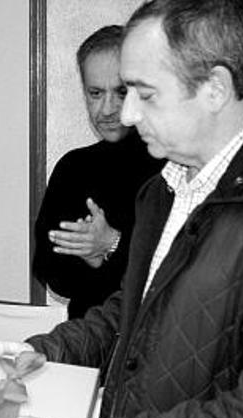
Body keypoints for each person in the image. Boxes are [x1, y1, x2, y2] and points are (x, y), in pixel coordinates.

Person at [0, 0, 243, 418]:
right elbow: (134, 312)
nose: (127, 113)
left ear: (216, 89)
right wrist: (50, 352)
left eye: (144, 93)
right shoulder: (167, 185)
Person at [33, 25, 163, 319]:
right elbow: (50, 272)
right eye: (95, 93)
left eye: (120, 92)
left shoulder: (172, 164)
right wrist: (97, 257)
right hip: (85, 341)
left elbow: (170, 274)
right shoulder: (73, 167)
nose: (107, 109)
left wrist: (111, 244)